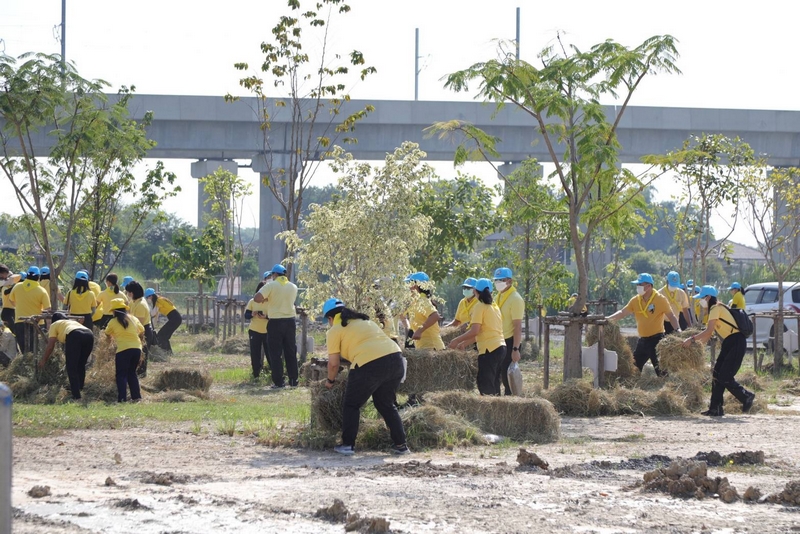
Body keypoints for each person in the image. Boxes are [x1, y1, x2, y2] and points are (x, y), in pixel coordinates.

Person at [322, 298, 409, 456]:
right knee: (386, 404)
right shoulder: (366, 322)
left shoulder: (334, 330)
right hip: (395, 359)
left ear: (330, 318)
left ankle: (348, 445)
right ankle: (401, 445)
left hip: (369, 364)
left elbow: (333, 364)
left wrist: (330, 381)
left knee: (352, 405)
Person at [682, 285, 755, 416]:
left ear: (708, 297)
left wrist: (691, 339)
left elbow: (708, 331)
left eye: (702, 298)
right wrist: (697, 348)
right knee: (717, 375)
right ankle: (715, 408)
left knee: (725, 376)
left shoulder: (716, 308)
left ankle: (746, 396)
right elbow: (708, 335)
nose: (700, 301)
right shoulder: (714, 310)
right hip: (729, 343)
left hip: (736, 341)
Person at [606, 273, 680, 377]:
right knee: (634, 369)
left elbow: (671, 316)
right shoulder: (635, 300)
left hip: (657, 340)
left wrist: (678, 329)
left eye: (640, 284)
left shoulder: (660, 299)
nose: (638, 287)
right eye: (637, 284)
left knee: (662, 372)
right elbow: (622, 312)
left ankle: (666, 391)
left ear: (649, 286)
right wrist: (607, 319)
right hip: (643, 341)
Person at [448, 278, 505, 395]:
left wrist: (456, 340)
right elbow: (482, 332)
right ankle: (496, 408)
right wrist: (464, 344)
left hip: (489, 350)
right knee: (494, 383)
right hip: (500, 348)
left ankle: (488, 411)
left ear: (475, 292)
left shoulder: (479, 307)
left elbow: (474, 331)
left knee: (484, 383)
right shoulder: (495, 307)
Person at [254, 264, 299, 388]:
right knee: (290, 351)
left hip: (275, 322)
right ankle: (294, 380)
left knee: (275, 353)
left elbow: (257, 298)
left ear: (274, 274)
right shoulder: (293, 286)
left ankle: (279, 382)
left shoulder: (271, 285)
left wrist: (267, 298)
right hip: (290, 321)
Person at [38, 312, 94, 400]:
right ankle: (79, 388)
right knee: (81, 364)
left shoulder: (54, 325)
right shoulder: (71, 322)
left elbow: (50, 346)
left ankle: (76, 395)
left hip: (74, 335)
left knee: (71, 367)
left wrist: (43, 360)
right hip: (89, 335)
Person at [104, 298, 144, 402]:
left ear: (114, 311)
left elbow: (107, 333)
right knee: (132, 372)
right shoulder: (133, 319)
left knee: (121, 374)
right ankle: (136, 397)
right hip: (137, 348)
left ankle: (122, 398)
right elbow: (142, 330)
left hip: (123, 349)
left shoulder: (113, 321)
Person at [492, 267, 523, 395]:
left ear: (509, 281)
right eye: (496, 280)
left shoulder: (515, 299)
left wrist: (515, 349)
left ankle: (511, 402)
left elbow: (517, 326)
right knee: (495, 376)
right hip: (498, 341)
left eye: (502, 280)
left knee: (507, 377)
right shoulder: (498, 297)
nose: (498, 283)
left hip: (510, 341)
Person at [8, 266, 51, 354]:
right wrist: (49, 326)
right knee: (35, 350)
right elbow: (47, 309)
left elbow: (11, 300)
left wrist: (18, 307)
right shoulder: (41, 291)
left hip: (19, 321)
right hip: (36, 324)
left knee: (24, 350)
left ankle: (24, 365)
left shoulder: (17, 286)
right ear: (38, 277)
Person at [402, 272, 445, 350]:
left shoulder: (423, 301)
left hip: (433, 347)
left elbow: (435, 316)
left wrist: (419, 331)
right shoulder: (414, 302)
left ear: (417, 286)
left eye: (409, 283)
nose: (408, 287)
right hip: (423, 347)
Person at [126, 282, 156, 378]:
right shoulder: (134, 302)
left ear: (132, 293)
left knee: (142, 355)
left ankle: (141, 375)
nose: (127, 295)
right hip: (135, 330)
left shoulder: (141, 305)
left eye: (128, 292)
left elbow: (139, 324)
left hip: (143, 331)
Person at [145, 288, 182, 353]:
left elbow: (152, 313)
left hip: (175, 318)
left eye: (147, 298)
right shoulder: (160, 299)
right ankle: (168, 352)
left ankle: (167, 352)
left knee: (161, 335)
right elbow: (156, 315)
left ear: (151, 296)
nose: (148, 300)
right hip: (175, 318)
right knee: (163, 335)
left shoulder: (158, 301)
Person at [245, 282, 269, 379]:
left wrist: (266, 317)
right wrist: (252, 314)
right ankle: (256, 374)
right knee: (255, 353)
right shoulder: (252, 301)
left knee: (270, 354)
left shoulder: (271, 302)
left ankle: (273, 374)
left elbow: (275, 316)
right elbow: (246, 315)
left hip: (268, 331)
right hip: (254, 330)